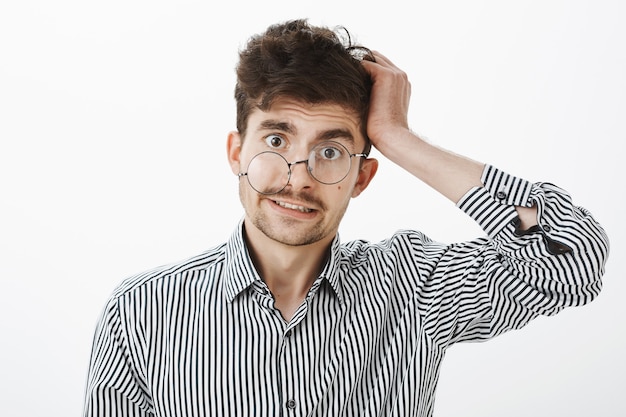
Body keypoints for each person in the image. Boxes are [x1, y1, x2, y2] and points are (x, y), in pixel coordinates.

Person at [83, 19, 609, 417]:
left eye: (331, 151)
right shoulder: (139, 314)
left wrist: (400, 139)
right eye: (275, 140)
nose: (299, 176)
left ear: (363, 176)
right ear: (235, 153)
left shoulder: (412, 287)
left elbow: (573, 257)